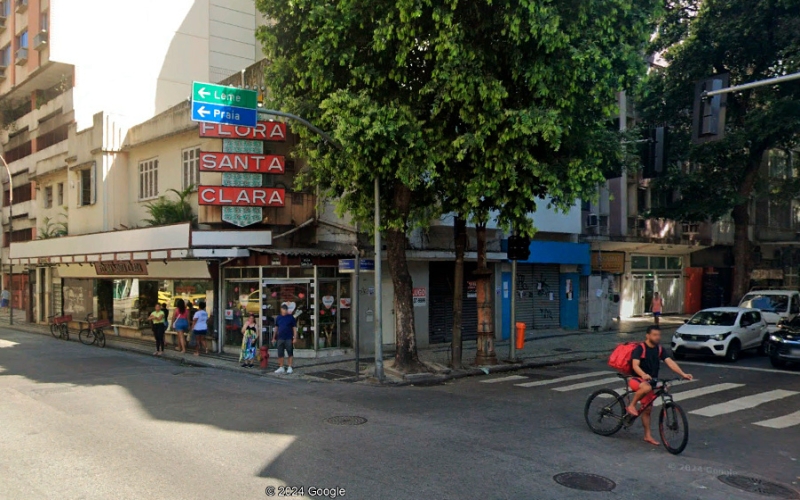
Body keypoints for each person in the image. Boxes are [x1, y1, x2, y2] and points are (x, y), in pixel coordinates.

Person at [626, 325, 693, 446]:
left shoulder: (659, 349)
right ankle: (631, 406)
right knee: (646, 387)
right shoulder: (640, 348)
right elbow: (635, 365)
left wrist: (683, 374)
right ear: (648, 335)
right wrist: (643, 374)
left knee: (647, 410)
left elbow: (670, 362)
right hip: (637, 379)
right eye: (654, 335)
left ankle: (647, 435)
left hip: (650, 381)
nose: (657, 337)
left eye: (659, 335)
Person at [272, 304, 297, 374]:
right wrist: (274, 337)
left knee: (290, 352)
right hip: (280, 337)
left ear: (287, 310)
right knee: (280, 353)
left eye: (285, 310)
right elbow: (276, 328)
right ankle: (281, 367)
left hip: (288, 337)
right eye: (283, 310)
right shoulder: (278, 318)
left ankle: (290, 366)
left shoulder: (291, 317)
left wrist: (295, 337)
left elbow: (294, 328)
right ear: (281, 310)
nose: (284, 311)